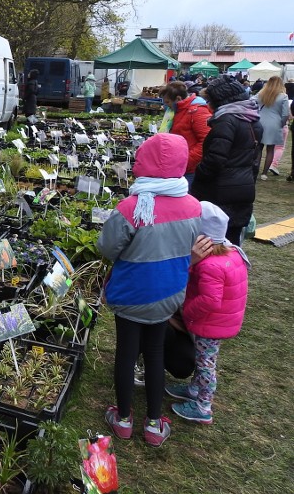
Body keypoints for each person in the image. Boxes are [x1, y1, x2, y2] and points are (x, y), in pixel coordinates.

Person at [98, 133, 202, 447]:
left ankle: (124, 419)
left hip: (131, 295)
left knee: (127, 353)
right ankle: (155, 424)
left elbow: (107, 248)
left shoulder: (131, 207)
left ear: (143, 162)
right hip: (168, 295)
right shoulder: (194, 206)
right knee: (155, 353)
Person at [166, 201, 249, 425]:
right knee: (206, 359)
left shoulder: (209, 265)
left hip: (210, 324)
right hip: (222, 321)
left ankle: (203, 406)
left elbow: (210, 300)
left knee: (205, 364)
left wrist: (188, 314)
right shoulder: (231, 253)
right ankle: (194, 390)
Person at [191, 75, 263, 246]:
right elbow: (254, 157)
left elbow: (215, 160)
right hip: (243, 186)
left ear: (220, 100)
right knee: (232, 240)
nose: (209, 105)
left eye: (210, 100)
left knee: (212, 240)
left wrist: (199, 174)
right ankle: (231, 270)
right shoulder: (252, 117)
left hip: (219, 190)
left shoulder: (227, 120)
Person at [158, 81, 212, 188]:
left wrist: (185, 161)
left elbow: (206, 142)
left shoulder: (197, 112)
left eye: (168, 102)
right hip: (177, 165)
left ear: (178, 99)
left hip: (189, 169)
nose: (166, 105)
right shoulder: (177, 110)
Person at [254, 76, 290, 178]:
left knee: (258, 148)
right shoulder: (283, 96)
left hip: (260, 122)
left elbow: (251, 101)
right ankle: (264, 173)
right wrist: (282, 123)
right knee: (270, 149)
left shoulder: (261, 93)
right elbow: (285, 114)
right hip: (275, 124)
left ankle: (255, 171)